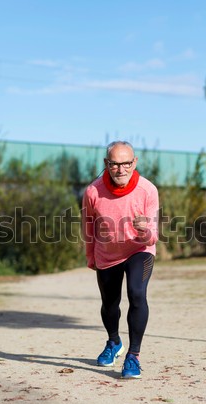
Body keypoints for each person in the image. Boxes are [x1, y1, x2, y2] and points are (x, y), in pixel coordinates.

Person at [82, 141, 159, 379]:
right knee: (109, 304)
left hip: (139, 250)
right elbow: (88, 227)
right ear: (107, 164)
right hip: (107, 254)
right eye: (114, 164)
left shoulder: (147, 190)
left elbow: (154, 236)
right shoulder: (93, 191)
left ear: (134, 162)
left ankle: (133, 356)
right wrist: (91, 256)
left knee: (137, 293)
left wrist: (144, 229)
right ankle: (114, 342)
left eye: (126, 163)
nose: (121, 169)